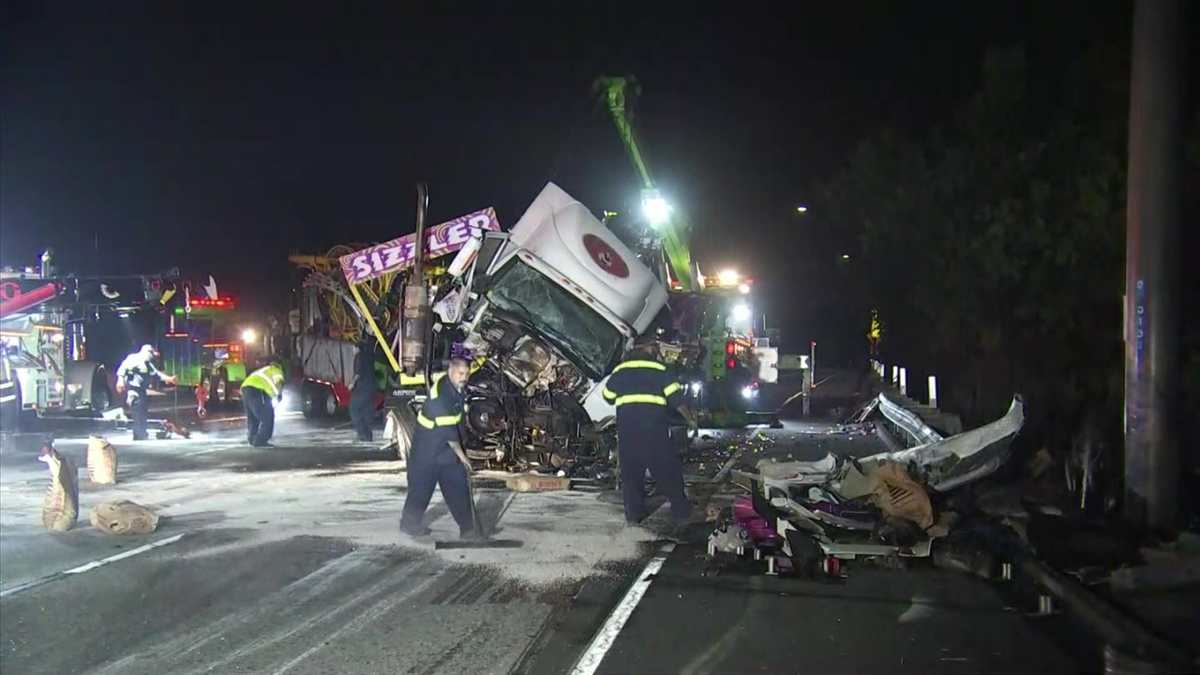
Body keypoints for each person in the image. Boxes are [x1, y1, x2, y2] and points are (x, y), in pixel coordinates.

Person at [603, 341, 699, 527]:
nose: (656, 350)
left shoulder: (621, 370)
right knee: (667, 470)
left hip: (628, 431)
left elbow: (608, 396)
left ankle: (633, 514)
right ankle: (681, 510)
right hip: (654, 430)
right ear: (647, 349)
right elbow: (676, 399)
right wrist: (690, 420)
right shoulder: (660, 370)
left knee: (631, 474)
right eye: (654, 347)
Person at [399, 357, 477, 539]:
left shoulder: (456, 389)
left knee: (459, 490)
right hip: (426, 454)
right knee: (420, 493)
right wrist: (464, 457)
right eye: (460, 373)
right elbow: (450, 435)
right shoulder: (440, 396)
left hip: (446, 453)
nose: (464, 377)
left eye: (467, 374)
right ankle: (408, 525)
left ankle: (469, 529)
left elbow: (458, 422)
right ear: (451, 371)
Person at [115, 344, 178, 441]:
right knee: (137, 412)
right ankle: (139, 433)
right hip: (133, 390)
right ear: (147, 353)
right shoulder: (133, 359)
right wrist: (120, 381)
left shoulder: (147, 364)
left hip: (142, 391)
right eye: (151, 355)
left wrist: (169, 379)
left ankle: (141, 433)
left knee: (142, 412)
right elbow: (122, 370)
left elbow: (156, 375)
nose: (152, 357)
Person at [240, 360, 285, 447]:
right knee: (267, 417)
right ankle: (260, 441)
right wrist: (279, 394)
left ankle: (252, 438)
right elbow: (279, 381)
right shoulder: (276, 370)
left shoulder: (262, 370)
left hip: (245, 389)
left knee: (253, 417)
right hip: (258, 390)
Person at [349, 340, 378, 442]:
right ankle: (368, 436)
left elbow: (358, 373)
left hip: (362, 387)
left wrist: (352, 384)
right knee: (367, 411)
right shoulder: (370, 355)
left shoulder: (359, 356)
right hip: (372, 387)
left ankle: (361, 433)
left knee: (354, 409)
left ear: (357, 348)